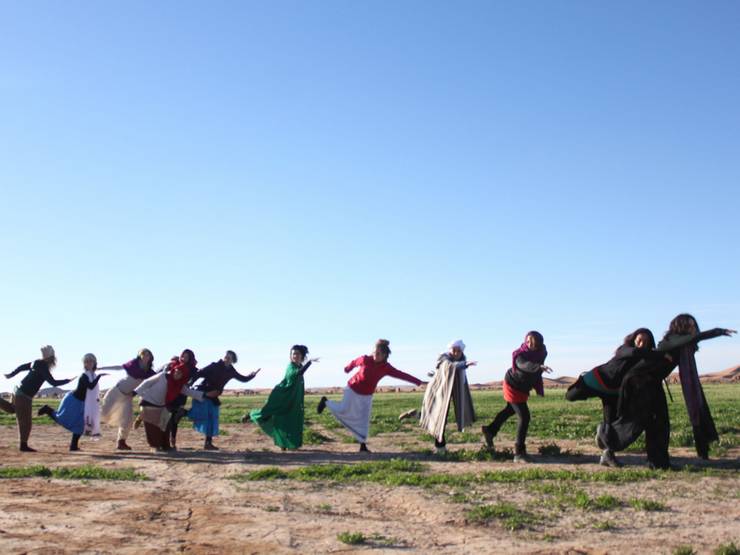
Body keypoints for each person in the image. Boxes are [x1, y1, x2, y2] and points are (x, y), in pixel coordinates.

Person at [599, 315, 735, 468]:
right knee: (637, 421)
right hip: (639, 381)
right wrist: (717, 331)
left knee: (660, 423)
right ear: (681, 326)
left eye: (694, 326)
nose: (693, 328)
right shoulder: (673, 340)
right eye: (690, 325)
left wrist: (717, 332)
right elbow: (692, 338)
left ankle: (658, 462)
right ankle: (606, 439)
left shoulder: (680, 343)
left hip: (652, 383)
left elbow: (691, 340)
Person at [565, 328, 668, 467]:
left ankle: (607, 455)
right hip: (597, 379)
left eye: (646, 341)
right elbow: (634, 352)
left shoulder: (645, 358)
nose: (642, 343)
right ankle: (579, 383)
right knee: (570, 396)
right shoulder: (625, 349)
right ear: (633, 339)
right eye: (639, 340)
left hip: (613, 391)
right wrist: (660, 355)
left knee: (611, 422)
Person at [318, 339, 423, 452]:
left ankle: (362, 446)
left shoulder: (386, 367)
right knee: (343, 409)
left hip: (367, 396)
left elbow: (401, 375)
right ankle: (326, 402)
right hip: (352, 389)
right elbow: (354, 362)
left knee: (364, 420)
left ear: (384, 355)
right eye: (374, 352)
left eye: (378, 353)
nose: (374, 355)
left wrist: (419, 382)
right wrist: (347, 369)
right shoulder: (365, 359)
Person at [481, 331, 551, 463]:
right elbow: (523, 365)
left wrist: (539, 368)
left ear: (539, 342)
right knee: (524, 417)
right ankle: (519, 453)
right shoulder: (520, 354)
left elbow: (536, 364)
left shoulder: (542, 352)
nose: (529, 344)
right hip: (512, 384)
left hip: (523, 387)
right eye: (527, 341)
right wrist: (538, 367)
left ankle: (490, 430)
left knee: (510, 410)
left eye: (532, 341)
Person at [183, 350, 259, 450]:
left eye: (230, 357)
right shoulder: (214, 366)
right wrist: (190, 383)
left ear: (233, 360)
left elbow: (243, 379)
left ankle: (208, 443)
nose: (227, 358)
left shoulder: (231, 371)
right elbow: (199, 373)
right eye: (226, 356)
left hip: (213, 396)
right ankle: (181, 413)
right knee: (199, 414)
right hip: (204, 392)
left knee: (212, 418)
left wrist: (252, 375)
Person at [1, 345, 71, 452]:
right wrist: (68, 380)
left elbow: (21, 367)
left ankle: (23, 444)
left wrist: (11, 374)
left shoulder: (36, 362)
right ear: (51, 357)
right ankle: (23, 446)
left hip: (18, 390)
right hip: (24, 395)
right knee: (26, 422)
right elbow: (53, 382)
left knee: (12, 409)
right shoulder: (43, 366)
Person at [249, 345, 317, 450]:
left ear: (302, 356)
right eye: (293, 354)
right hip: (283, 397)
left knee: (292, 421)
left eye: (298, 354)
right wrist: (309, 363)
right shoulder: (291, 367)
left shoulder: (299, 367)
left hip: (293, 400)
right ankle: (252, 415)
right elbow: (296, 374)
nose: (295, 356)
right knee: (279, 418)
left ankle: (287, 443)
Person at [134, 356, 205, 452]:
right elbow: (147, 382)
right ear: (174, 370)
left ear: (182, 376)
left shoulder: (179, 385)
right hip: (148, 402)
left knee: (165, 426)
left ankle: (165, 446)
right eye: (176, 371)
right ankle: (155, 447)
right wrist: (136, 391)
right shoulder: (163, 376)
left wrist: (204, 396)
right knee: (152, 427)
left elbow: (189, 392)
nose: (177, 373)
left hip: (161, 405)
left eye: (180, 373)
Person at [419, 340, 477, 455]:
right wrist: (464, 365)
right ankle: (440, 447)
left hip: (451, 392)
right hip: (438, 392)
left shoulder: (462, 360)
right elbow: (449, 366)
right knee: (440, 418)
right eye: (454, 350)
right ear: (450, 350)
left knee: (439, 417)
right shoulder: (444, 358)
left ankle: (418, 415)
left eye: (458, 351)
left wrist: (463, 364)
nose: (456, 353)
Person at [38, 353, 105, 451]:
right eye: (86, 362)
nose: (88, 363)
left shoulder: (92, 375)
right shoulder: (84, 376)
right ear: (84, 364)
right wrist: (99, 376)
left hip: (82, 403)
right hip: (74, 401)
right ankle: (48, 410)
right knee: (64, 419)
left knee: (80, 424)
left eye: (91, 361)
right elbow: (90, 386)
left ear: (94, 363)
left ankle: (73, 446)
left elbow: (93, 390)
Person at [98, 348, 156, 450]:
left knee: (127, 421)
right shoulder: (133, 364)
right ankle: (83, 420)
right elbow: (118, 367)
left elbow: (158, 378)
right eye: (143, 354)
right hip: (116, 392)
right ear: (140, 356)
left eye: (147, 355)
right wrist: (101, 368)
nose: (145, 356)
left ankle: (121, 442)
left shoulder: (150, 372)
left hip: (127, 397)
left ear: (150, 357)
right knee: (103, 413)